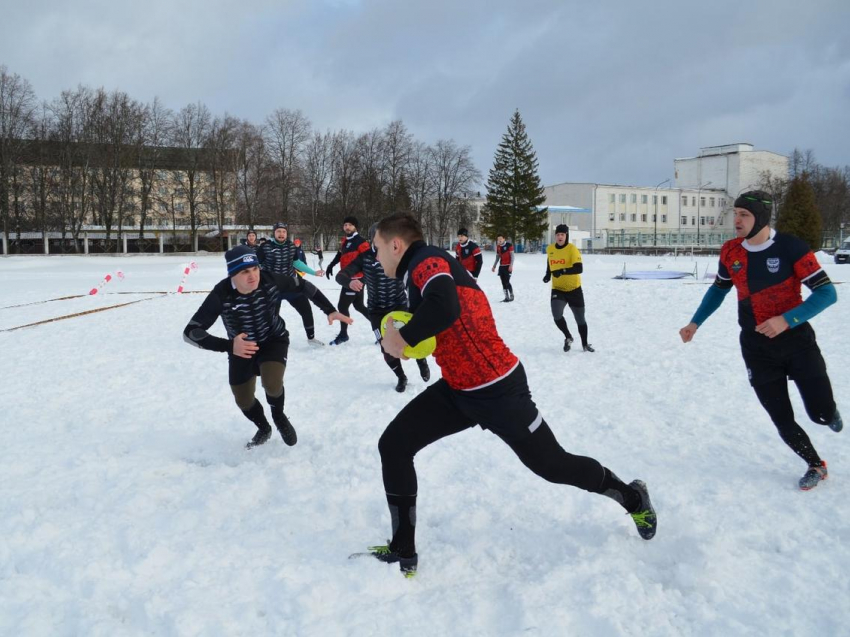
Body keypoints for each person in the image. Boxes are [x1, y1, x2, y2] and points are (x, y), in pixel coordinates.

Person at [359, 213, 656, 576]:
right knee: (394, 445)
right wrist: (410, 339)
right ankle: (403, 550)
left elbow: (445, 306)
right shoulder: (419, 269)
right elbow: (445, 319)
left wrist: (401, 339)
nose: (375, 257)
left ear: (395, 245)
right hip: (458, 388)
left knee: (554, 465)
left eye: (377, 249)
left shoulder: (427, 261)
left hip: (499, 388)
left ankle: (632, 497)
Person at [679, 190, 843, 490]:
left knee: (819, 414)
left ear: (761, 218)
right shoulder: (730, 252)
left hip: (797, 343)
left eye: (744, 214)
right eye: (735, 213)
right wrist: (695, 322)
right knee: (781, 417)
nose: (737, 220)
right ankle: (816, 465)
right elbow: (719, 290)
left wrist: (786, 320)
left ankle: (829, 412)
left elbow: (827, 293)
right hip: (757, 349)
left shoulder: (791, 248)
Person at [183, 245, 351, 449]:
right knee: (243, 399)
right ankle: (263, 427)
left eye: (254, 269)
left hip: (273, 339)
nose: (253, 276)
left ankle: (278, 416)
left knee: (272, 383)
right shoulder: (222, 293)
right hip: (241, 348)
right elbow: (191, 332)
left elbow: (304, 286)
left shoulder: (270, 279)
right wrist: (230, 346)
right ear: (232, 274)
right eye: (245, 272)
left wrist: (329, 310)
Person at [336, 223, 431, 392]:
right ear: (374, 238)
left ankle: (420, 360)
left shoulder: (398, 254)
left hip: (400, 305)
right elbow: (341, 275)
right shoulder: (364, 257)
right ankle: (401, 377)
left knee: (412, 336)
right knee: (386, 346)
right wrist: (349, 281)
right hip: (377, 310)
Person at [257, 222, 326, 347]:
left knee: (306, 310)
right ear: (274, 233)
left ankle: (311, 338)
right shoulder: (265, 247)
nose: (281, 234)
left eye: (284, 232)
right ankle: (268, 340)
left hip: (291, 286)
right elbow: (256, 265)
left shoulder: (291, 246)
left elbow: (297, 263)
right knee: (272, 315)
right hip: (272, 288)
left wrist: (313, 272)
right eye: (279, 231)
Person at [544, 224, 594, 352]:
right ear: (555, 236)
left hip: (574, 289)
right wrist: (548, 275)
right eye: (558, 235)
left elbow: (579, 268)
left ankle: (585, 344)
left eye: (562, 234)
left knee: (580, 319)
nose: (560, 237)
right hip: (558, 288)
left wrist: (562, 271)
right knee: (556, 314)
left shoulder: (572, 249)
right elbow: (550, 263)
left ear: (566, 236)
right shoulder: (550, 249)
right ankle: (568, 337)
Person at [325, 216, 371, 345]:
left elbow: (368, 261)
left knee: (342, 306)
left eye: (350, 225)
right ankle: (381, 329)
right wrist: (331, 265)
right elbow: (340, 255)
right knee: (359, 306)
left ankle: (344, 335)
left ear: (355, 226)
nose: (347, 227)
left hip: (355, 280)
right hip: (347, 278)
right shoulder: (345, 241)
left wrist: (364, 279)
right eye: (345, 225)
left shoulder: (361, 242)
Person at [491, 234, 515, 302]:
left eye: (501, 239)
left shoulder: (509, 245)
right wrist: (494, 266)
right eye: (498, 239)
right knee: (503, 282)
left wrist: (511, 265)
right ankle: (506, 297)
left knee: (507, 282)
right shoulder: (498, 247)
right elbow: (497, 257)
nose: (499, 240)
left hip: (508, 266)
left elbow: (512, 257)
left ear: (504, 239)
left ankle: (511, 295)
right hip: (501, 267)